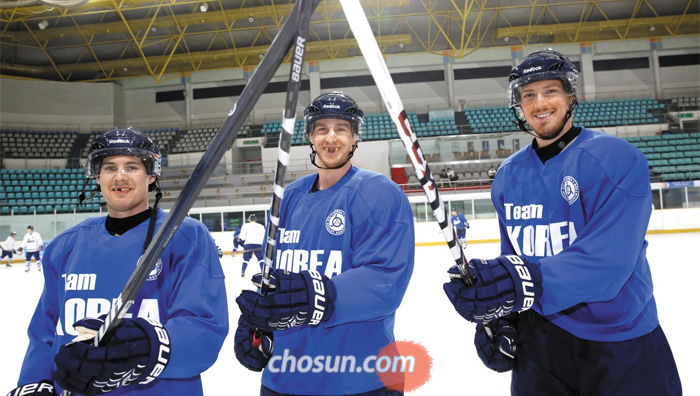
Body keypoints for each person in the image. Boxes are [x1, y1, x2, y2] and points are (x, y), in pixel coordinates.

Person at [443, 49, 681, 395]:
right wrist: (506, 319)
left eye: (550, 91)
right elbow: (516, 259)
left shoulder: (616, 159)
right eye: (528, 95)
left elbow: (608, 264)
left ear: (570, 95)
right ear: (519, 106)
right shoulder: (508, 176)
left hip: (619, 342)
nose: (539, 103)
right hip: (539, 343)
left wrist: (517, 282)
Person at [11, 127, 228, 396]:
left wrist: (142, 348)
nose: (120, 176)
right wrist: (35, 381)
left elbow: (203, 330)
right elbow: (44, 332)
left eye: (132, 166)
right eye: (110, 167)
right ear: (97, 176)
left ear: (151, 175)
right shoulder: (65, 245)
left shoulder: (185, 236)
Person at [234, 91, 415, 396]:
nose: (331, 137)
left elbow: (386, 282)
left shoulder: (379, 192)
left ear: (354, 137)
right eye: (322, 129)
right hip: (284, 378)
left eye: (341, 129)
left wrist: (315, 294)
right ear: (311, 137)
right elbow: (276, 277)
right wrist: (258, 321)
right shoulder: (288, 197)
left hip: (360, 378)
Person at [239, 214, 265, 278]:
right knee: (261, 259)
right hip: (258, 244)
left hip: (248, 244)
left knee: (246, 259)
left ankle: (243, 270)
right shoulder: (261, 226)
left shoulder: (245, 226)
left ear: (249, 219)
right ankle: (262, 270)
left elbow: (242, 237)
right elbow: (264, 236)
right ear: (255, 219)